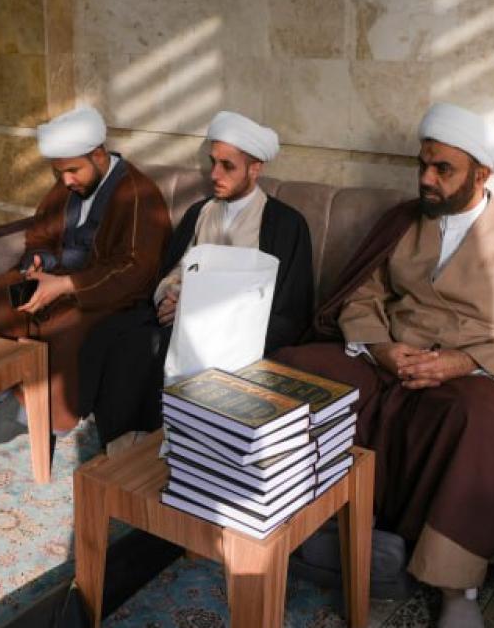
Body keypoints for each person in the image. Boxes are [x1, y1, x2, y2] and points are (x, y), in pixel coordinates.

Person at [273, 104, 494, 628]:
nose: (426, 178)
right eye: (422, 165)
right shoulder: (403, 221)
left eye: (443, 169)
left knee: (473, 418)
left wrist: (465, 362)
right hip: (391, 355)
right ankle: (312, 519)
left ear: (481, 174)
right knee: (298, 368)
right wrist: (380, 349)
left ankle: (456, 586)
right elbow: (363, 296)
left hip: (479, 369)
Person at [76, 110, 315, 451]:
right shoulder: (200, 212)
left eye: (227, 166)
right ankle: (120, 446)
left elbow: (289, 309)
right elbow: (175, 270)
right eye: (213, 162)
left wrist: (193, 312)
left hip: (238, 332)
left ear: (255, 169)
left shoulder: (287, 225)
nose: (214, 174)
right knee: (112, 335)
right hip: (179, 319)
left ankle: (158, 448)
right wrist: (169, 297)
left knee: (152, 349)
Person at [0, 105, 171, 444]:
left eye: (73, 170)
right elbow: (40, 233)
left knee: (63, 327)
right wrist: (38, 262)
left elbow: (136, 271)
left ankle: (35, 416)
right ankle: (2, 388)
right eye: (59, 172)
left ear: (99, 155)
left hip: (108, 294)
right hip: (56, 277)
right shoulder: (68, 186)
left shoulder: (138, 194)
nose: (66, 181)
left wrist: (65, 285)